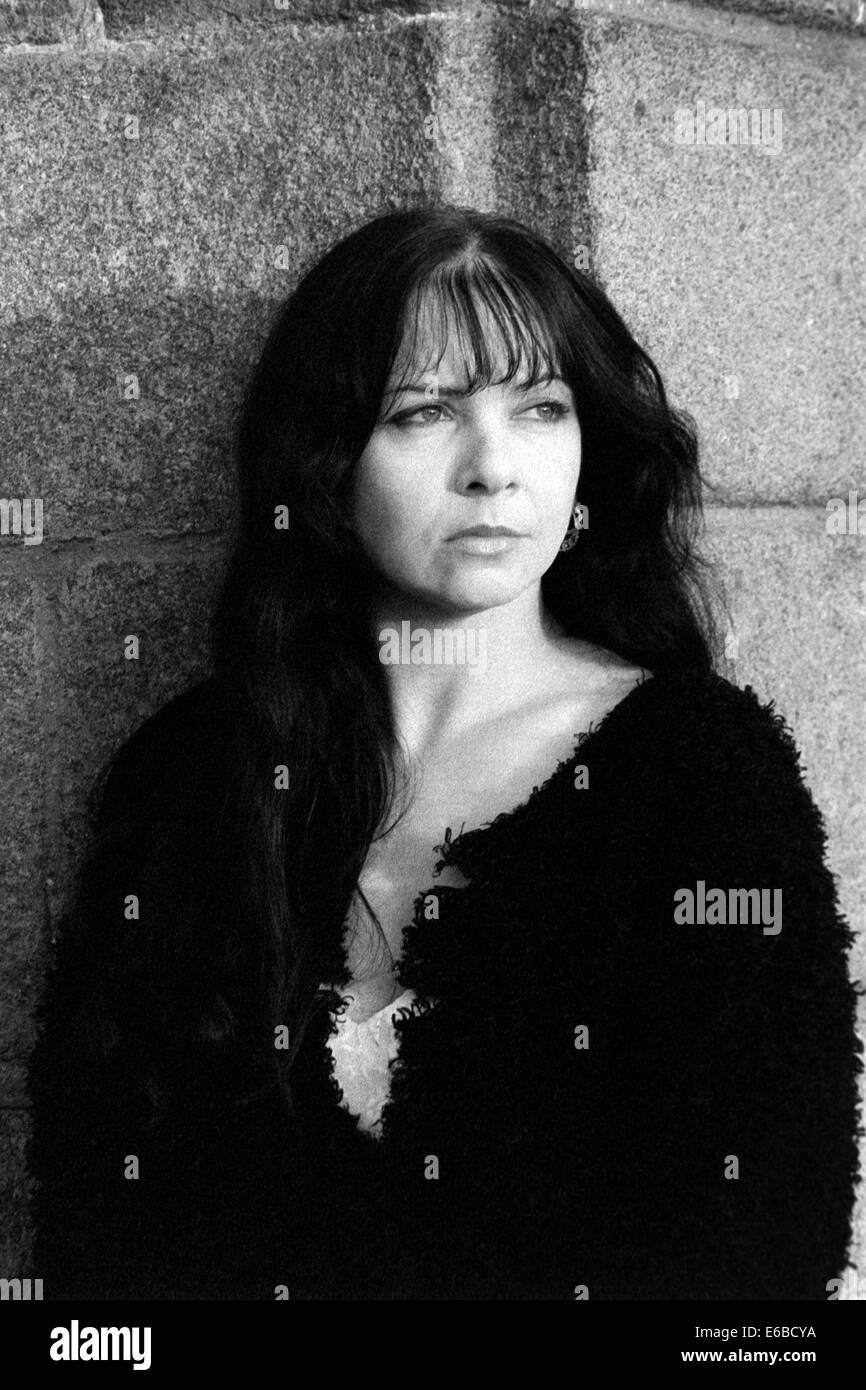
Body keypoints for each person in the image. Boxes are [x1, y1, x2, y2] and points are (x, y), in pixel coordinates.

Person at [28, 205, 862, 1301]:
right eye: (424, 412)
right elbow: (96, 1214)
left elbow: (761, 1242)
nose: (493, 468)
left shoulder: (693, 773)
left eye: (541, 408)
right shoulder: (194, 776)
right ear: (326, 458)